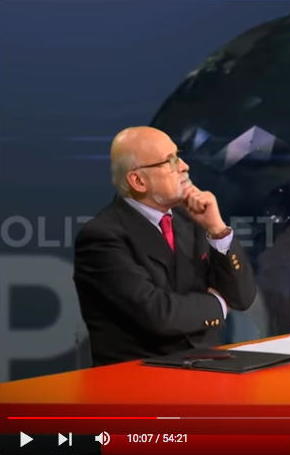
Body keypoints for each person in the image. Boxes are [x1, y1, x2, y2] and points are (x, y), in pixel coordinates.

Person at [74, 126, 257, 366]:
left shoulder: (193, 220)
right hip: (140, 376)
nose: (184, 166)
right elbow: (158, 315)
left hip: (207, 369)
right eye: (170, 161)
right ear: (138, 181)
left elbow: (242, 298)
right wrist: (219, 304)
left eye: (178, 156)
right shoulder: (102, 236)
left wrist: (217, 229)